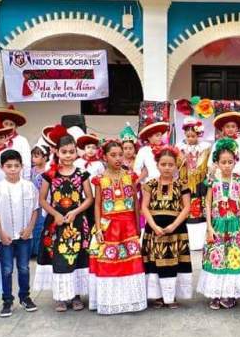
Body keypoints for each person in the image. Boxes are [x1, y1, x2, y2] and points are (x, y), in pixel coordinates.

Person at [35, 134, 92, 312]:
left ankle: (76, 296)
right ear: (57, 152)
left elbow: (89, 198)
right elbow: (42, 199)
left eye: (71, 152)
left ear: (76, 153)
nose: (68, 155)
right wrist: (55, 214)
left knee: (77, 257)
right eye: (64, 152)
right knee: (59, 258)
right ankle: (60, 297)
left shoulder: (82, 174)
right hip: (56, 223)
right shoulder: (49, 175)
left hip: (76, 223)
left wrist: (75, 212)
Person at [90, 140, 147, 314]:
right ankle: (110, 301)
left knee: (131, 262)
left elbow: (136, 204)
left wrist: (138, 226)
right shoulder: (100, 180)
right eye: (113, 155)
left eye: (120, 155)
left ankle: (130, 300)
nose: (117, 158)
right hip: (108, 227)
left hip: (128, 226)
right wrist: (98, 228)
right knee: (110, 262)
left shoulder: (130, 177)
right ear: (104, 157)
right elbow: (98, 204)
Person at [196, 137, 240, 309]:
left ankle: (229, 293)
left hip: (234, 225)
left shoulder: (239, 178)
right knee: (217, 258)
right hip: (218, 225)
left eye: (230, 162)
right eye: (223, 162)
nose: (227, 165)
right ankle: (215, 293)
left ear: (235, 162)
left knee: (233, 258)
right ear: (217, 163)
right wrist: (209, 227)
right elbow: (207, 203)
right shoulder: (212, 179)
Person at [0, 150, 40, 318]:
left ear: (22, 166)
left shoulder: (29, 186)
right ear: (2, 167)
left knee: (24, 268)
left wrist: (29, 229)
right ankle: (7, 300)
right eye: (8, 166)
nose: (12, 169)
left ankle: (25, 297)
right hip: (5, 238)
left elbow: (35, 209)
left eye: (16, 166)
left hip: (25, 236)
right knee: (6, 269)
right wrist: (1, 233)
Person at [141, 146, 192, 308]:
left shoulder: (182, 185)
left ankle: (171, 297)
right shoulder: (150, 184)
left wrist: (174, 225)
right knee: (156, 262)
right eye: (163, 164)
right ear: (157, 165)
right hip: (154, 231)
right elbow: (144, 207)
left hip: (175, 231)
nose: (167, 168)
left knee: (174, 262)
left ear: (176, 166)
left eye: (171, 164)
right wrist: (154, 226)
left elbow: (186, 207)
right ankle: (157, 296)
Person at [176, 117, 210, 253]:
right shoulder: (179, 148)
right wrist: (182, 160)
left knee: (199, 211)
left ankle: (199, 241)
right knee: (186, 210)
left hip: (200, 183)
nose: (190, 138)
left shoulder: (205, 148)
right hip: (185, 183)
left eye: (193, 136)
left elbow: (206, 165)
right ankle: (186, 240)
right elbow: (177, 165)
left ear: (198, 135)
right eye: (188, 136)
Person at [0, 105, 31, 180]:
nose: (8, 127)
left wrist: (27, 179)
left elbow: (26, 163)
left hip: (17, 179)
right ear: (2, 125)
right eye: (6, 124)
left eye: (11, 124)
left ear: (16, 127)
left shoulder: (22, 141)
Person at [211, 112, 240, 184]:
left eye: (233, 126)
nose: (230, 129)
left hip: (237, 177)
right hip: (221, 177)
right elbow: (212, 162)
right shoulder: (218, 143)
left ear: (237, 128)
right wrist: (213, 178)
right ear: (223, 128)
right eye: (227, 127)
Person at [29, 143, 49, 258]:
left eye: (37, 156)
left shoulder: (48, 171)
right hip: (33, 202)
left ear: (45, 157)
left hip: (44, 202)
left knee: (42, 226)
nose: (33, 159)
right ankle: (32, 250)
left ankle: (39, 250)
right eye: (33, 156)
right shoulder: (32, 171)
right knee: (33, 225)